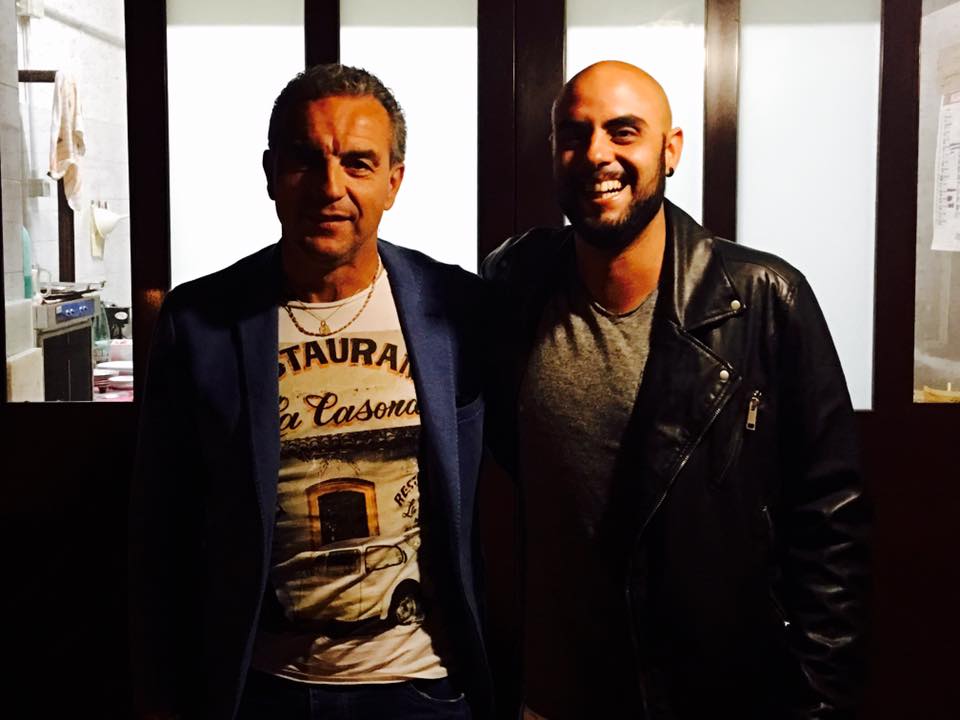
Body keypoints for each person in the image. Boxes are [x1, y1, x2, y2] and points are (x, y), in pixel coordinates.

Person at [481, 60, 870, 719]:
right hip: (550, 693)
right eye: (575, 134)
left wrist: (820, 702)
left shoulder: (763, 299)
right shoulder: (515, 282)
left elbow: (832, 519)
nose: (596, 154)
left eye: (623, 131)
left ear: (671, 150)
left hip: (712, 693)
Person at [130, 64, 490, 720]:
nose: (330, 187)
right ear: (272, 173)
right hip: (261, 687)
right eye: (306, 159)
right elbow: (162, 527)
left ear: (393, 182)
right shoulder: (200, 322)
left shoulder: (457, 308)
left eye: (358, 163)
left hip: (420, 685)